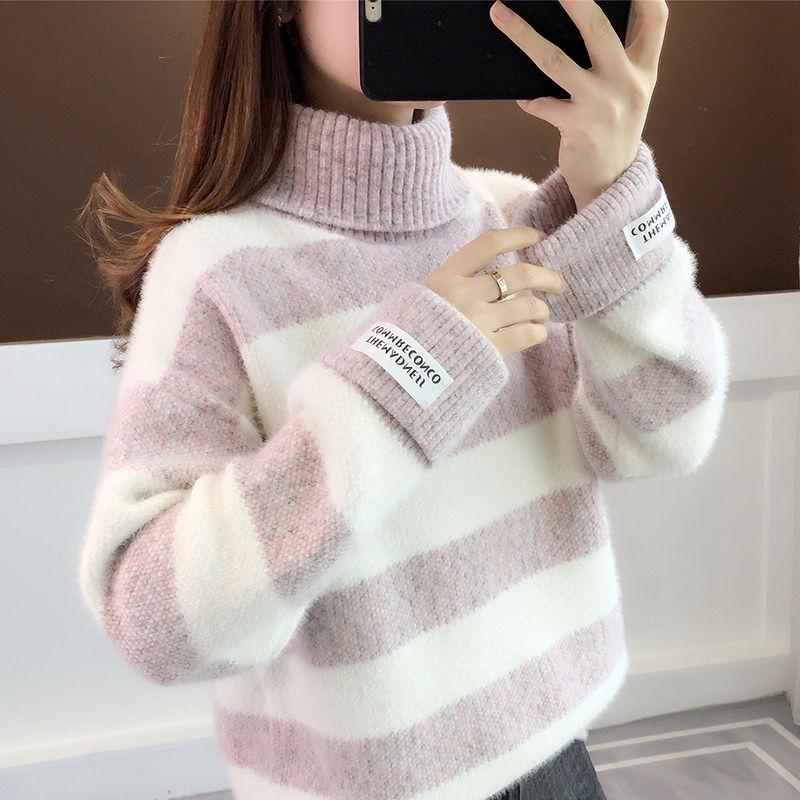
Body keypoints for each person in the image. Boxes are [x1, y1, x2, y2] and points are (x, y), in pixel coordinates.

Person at [75, 1, 730, 799]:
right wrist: (405, 373)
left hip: (557, 758)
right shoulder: (215, 270)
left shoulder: (507, 215)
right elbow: (154, 624)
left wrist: (612, 189)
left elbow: (666, 438)